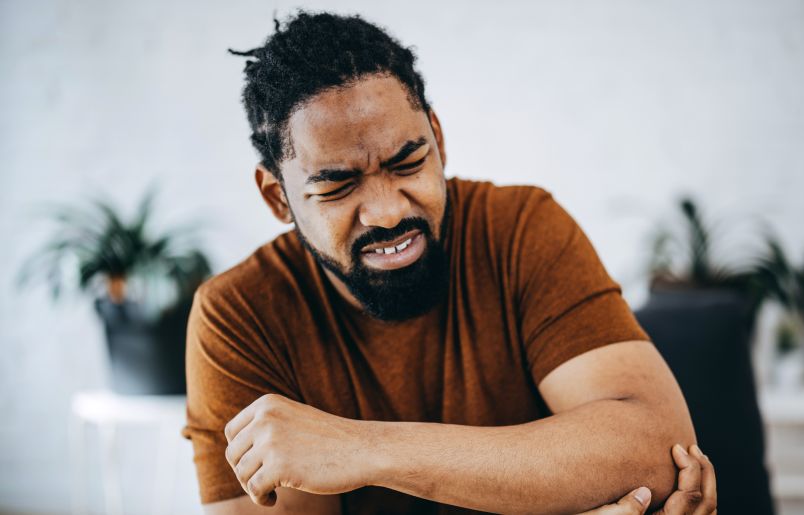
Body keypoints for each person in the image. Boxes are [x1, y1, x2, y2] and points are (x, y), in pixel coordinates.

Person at [181, 10, 717, 515]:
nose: (389, 211)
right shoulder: (239, 317)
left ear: (438, 138)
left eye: (408, 162)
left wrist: (364, 449)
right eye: (339, 186)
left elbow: (656, 450)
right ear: (278, 198)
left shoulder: (520, 228)